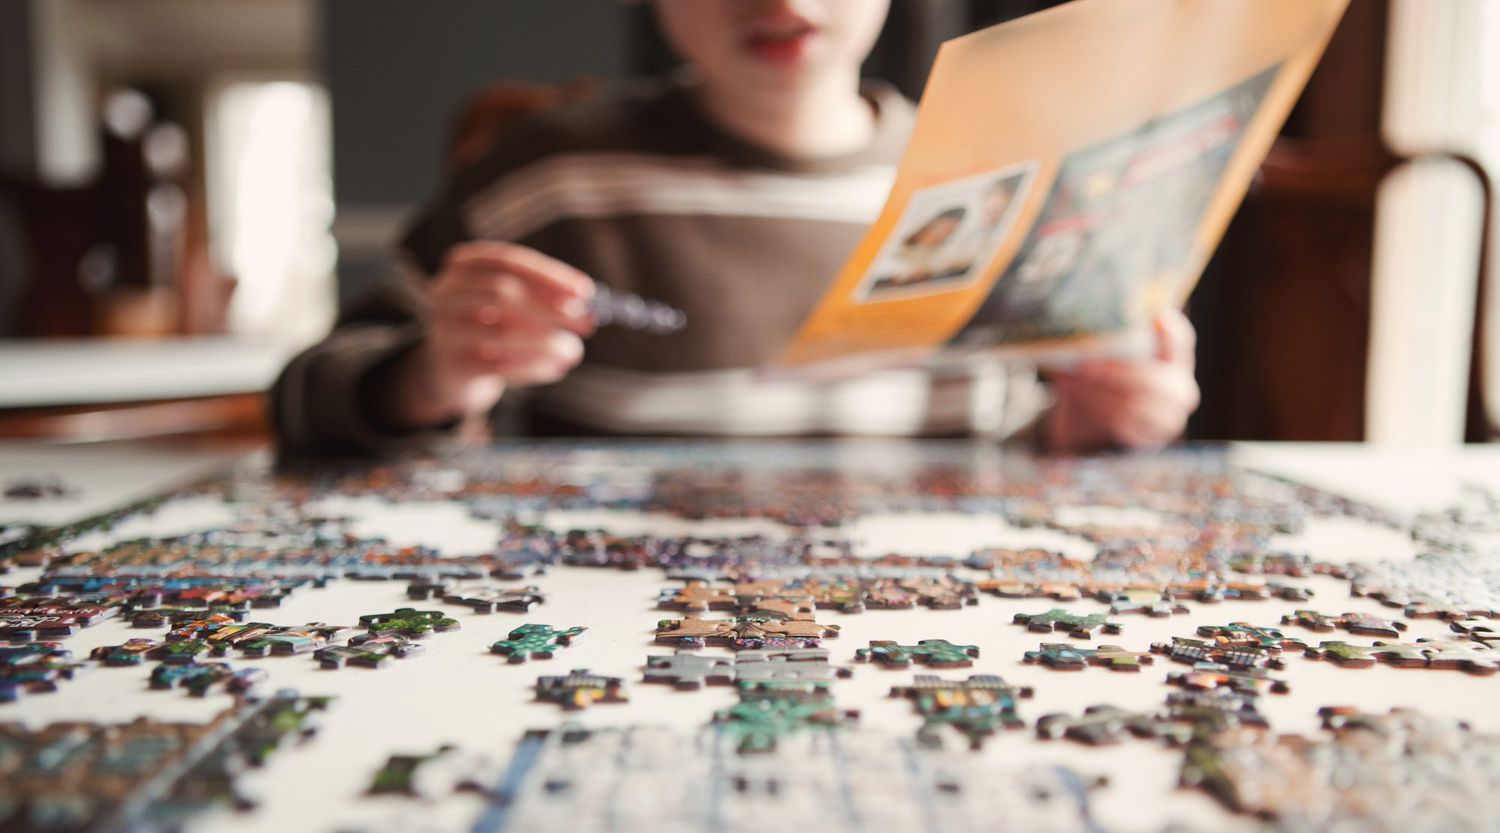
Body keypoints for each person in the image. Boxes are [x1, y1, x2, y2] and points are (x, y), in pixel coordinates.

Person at [271, 0, 1199, 454]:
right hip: (616, 630)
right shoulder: (549, 174)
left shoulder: (1006, 181)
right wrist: (434, 373)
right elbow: (305, 399)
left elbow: (1034, 450)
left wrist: (1100, 425)